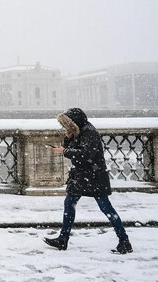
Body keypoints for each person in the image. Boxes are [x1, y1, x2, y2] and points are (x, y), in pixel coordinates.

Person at [43, 107, 133, 254]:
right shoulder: (79, 131)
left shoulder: (89, 132)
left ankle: (124, 240)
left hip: (94, 177)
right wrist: (68, 137)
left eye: (67, 124)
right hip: (81, 176)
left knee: (106, 208)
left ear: (75, 122)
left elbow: (86, 154)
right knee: (69, 203)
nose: (65, 127)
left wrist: (64, 151)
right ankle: (63, 239)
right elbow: (72, 149)